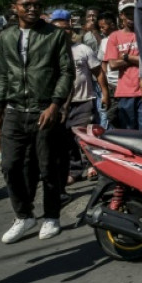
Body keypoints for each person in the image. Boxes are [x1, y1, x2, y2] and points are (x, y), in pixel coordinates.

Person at [0, 0, 75, 243]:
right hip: (15, 110)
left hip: (45, 110)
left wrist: (55, 105)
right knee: (10, 165)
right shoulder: (6, 36)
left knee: (48, 167)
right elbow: (2, 74)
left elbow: (66, 71)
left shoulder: (54, 35)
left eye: (36, 5)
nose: (32, 9)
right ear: (14, 8)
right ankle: (24, 215)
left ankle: (52, 216)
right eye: (26, 5)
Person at [50, 10, 106, 186]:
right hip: (58, 104)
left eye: (66, 28)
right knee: (66, 140)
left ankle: (94, 166)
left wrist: (105, 93)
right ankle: (74, 170)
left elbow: (98, 73)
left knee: (83, 138)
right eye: (58, 28)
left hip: (83, 101)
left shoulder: (83, 49)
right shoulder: (49, 52)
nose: (63, 32)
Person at [105, 0, 142, 130]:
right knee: (128, 131)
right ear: (121, 15)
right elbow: (112, 64)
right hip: (125, 92)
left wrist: (127, 57)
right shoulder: (114, 36)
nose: (131, 16)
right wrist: (137, 59)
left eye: (133, 12)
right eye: (127, 13)